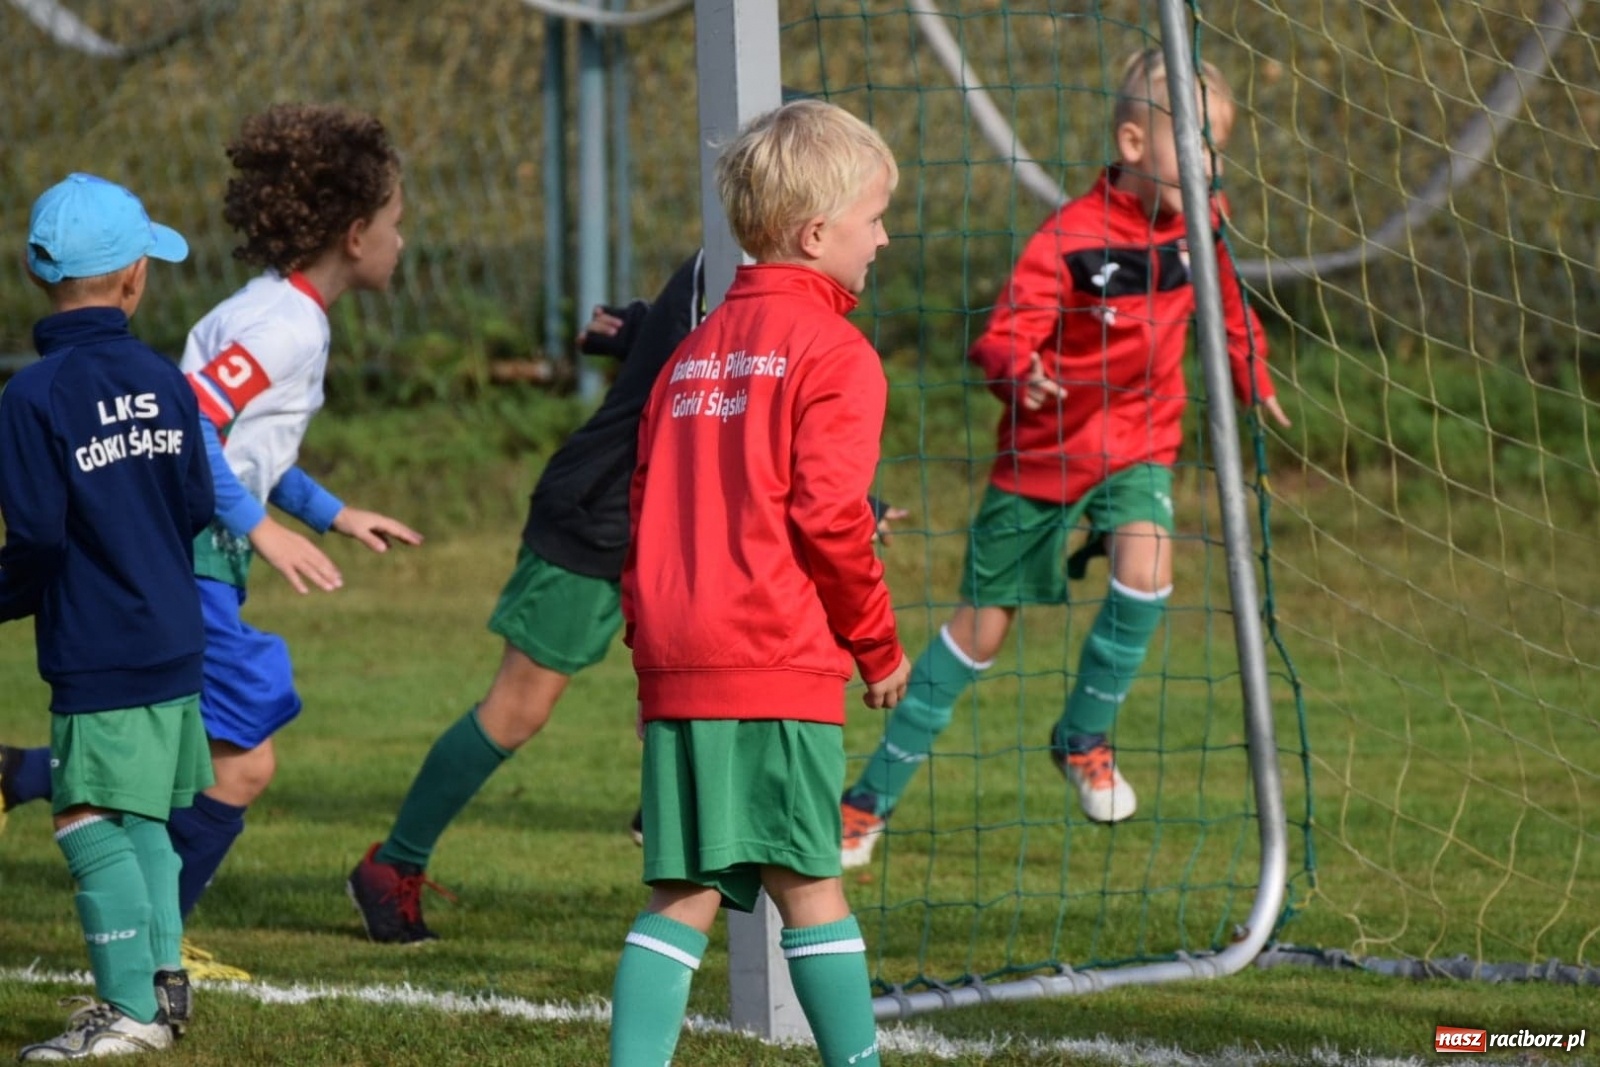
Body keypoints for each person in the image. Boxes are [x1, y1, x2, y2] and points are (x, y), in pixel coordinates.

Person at [345, 252, 907, 944]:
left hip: (689, 528)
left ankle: (682, 815)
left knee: (721, 673)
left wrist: (630, 328)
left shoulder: (766, 284)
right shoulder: (730, 266)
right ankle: (392, 863)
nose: (878, 238)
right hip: (602, 514)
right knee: (518, 707)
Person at [837, 49, 1291, 869]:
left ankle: (1083, 736)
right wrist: (1024, 371)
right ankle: (864, 803)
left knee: (1150, 571)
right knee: (978, 635)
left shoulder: (1203, 222)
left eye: (1218, 148)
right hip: (1043, 461)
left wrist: (1250, 371)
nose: (1212, 166)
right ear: (1132, 143)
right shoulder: (1069, 239)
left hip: (1140, 446)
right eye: (1196, 144)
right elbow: (1002, 336)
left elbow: (1225, 300)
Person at [0, 105, 422, 978]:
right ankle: (160, 948)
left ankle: (26, 780)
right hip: (187, 550)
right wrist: (258, 525)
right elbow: (189, 419)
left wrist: (328, 510)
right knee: (242, 757)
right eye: (396, 225)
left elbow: (251, 448)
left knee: (203, 750)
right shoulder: (287, 325)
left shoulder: (276, 308)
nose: (403, 242)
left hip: (197, 547)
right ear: (354, 234)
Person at [609, 99, 911, 1067]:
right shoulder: (836, 352)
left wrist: (648, 644)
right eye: (873, 218)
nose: (884, 236)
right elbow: (826, 515)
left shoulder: (689, 357)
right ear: (817, 233)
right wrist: (876, 641)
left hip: (680, 655)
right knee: (809, 878)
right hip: (774, 655)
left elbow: (646, 507)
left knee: (682, 891)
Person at [2, 173, 213, 1059]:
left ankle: (126, 1011)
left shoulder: (31, 394)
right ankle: (164, 997)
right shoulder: (163, 377)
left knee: (86, 815)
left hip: (98, 647)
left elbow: (40, 537)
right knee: (146, 822)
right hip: (173, 639)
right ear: (134, 277)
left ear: (38, 272)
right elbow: (196, 505)